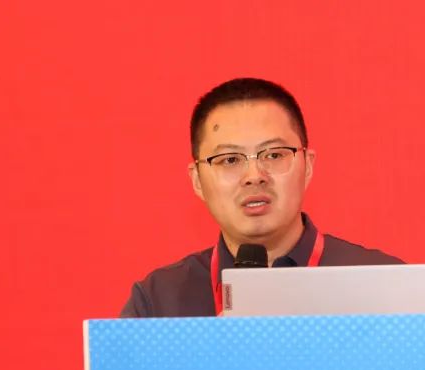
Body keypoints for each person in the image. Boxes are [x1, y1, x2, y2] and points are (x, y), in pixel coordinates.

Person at [120, 77, 401, 318]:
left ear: (308, 166)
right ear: (197, 180)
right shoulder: (158, 304)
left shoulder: (386, 286)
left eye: (274, 155)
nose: (254, 176)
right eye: (230, 159)